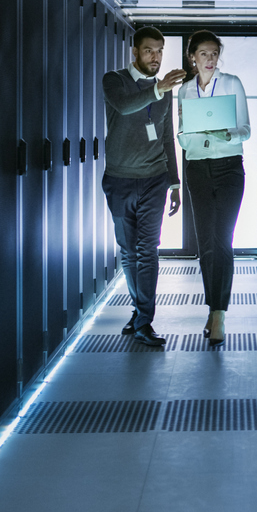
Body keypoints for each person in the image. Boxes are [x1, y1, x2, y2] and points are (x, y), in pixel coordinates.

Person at [103, 27, 189, 346]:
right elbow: (125, 107)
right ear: (135, 52)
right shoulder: (113, 81)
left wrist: (175, 183)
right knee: (128, 252)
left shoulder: (163, 90)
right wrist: (158, 89)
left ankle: (144, 320)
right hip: (119, 179)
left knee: (147, 249)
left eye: (160, 51)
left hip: (154, 179)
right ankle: (139, 311)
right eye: (149, 50)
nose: (156, 57)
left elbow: (166, 136)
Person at [176, 30, 251, 345]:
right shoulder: (184, 91)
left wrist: (224, 133)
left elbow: (245, 130)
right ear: (192, 57)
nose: (209, 59)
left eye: (214, 53)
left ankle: (219, 313)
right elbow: (180, 135)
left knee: (223, 241)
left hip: (229, 168)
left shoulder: (232, 83)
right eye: (203, 53)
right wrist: (195, 132)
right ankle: (212, 306)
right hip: (197, 169)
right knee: (206, 243)